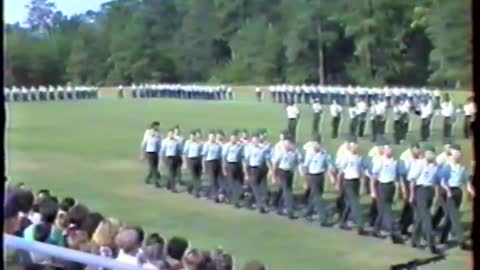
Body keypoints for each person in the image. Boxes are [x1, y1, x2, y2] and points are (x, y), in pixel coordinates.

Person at [409, 145, 441, 254]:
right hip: (420, 190)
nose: (430, 155)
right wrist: (412, 195)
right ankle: (431, 244)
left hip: (430, 192)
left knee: (419, 217)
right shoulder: (420, 163)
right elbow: (412, 179)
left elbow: (436, 183)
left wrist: (436, 196)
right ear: (425, 154)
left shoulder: (436, 166)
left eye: (432, 153)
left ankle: (413, 240)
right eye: (428, 153)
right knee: (427, 218)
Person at [370, 146, 404, 244]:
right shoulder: (380, 161)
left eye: (391, 149)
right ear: (384, 151)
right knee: (387, 209)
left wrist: (398, 189)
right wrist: (373, 190)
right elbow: (374, 177)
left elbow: (397, 177)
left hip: (391, 186)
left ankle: (375, 229)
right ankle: (391, 231)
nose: (390, 150)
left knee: (383, 209)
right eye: (388, 149)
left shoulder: (394, 162)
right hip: (383, 186)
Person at [438, 144, 469, 249]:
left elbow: (466, 182)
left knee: (449, 217)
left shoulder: (462, 167)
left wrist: (471, 191)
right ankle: (462, 241)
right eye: (456, 153)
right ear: (452, 153)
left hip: (457, 192)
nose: (458, 155)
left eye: (460, 153)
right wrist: (447, 190)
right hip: (447, 192)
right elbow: (442, 182)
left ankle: (442, 238)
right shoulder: (447, 166)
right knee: (455, 216)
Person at [301, 135, 335, 226]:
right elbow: (305, 166)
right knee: (318, 197)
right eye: (313, 144)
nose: (314, 145)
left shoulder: (324, 153)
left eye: (316, 143)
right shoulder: (310, 153)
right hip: (312, 176)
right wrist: (305, 180)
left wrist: (331, 177)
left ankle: (307, 212)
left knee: (314, 195)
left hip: (320, 176)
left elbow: (329, 165)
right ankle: (323, 219)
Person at [336, 141, 368, 235]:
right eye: (354, 146)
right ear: (350, 147)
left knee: (350, 203)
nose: (356, 148)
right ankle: (360, 224)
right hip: (348, 181)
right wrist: (338, 183)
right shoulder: (346, 157)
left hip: (356, 181)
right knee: (355, 203)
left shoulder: (359, 157)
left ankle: (342, 221)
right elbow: (340, 170)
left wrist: (363, 182)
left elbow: (361, 170)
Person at [271, 136, 302, 219]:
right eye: (285, 144)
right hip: (282, 171)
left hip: (290, 173)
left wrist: (299, 172)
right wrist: (274, 176)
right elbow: (275, 164)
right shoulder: (281, 153)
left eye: (288, 144)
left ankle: (277, 205)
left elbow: (298, 162)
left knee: (283, 189)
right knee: (288, 191)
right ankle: (290, 211)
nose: (286, 146)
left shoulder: (294, 153)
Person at [398, 142, 422, 236]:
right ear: (413, 148)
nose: (419, 151)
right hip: (407, 183)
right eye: (417, 149)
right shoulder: (405, 157)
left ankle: (404, 225)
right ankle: (404, 225)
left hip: (415, 183)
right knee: (410, 206)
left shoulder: (418, 156)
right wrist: (403, 188)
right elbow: (402, 174)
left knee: (409, 206)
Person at [243, 132, 271, 213]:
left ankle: (249, 202)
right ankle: (260, 205)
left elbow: (266, 160)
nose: (255, 142)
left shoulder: (261, 149)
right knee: (254, 187)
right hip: (252, 169)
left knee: (255, 187)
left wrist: (271, 170)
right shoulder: (249, 148)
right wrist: (246, 173)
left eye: (256, 140)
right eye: (253, 141)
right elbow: (246, 161)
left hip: (260, 169)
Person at [222, 131, 245, 208]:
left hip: (237, 165)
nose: (233, 139)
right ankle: (235, 201)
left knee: (238, 184)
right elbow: (224, 157)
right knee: (232, 183)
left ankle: (229, 196)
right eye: (232, 138)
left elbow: (241, 156)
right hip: (229, 165)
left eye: (235, 138)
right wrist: (224, 168)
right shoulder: (227, 146)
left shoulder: (239, 146)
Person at [202, 131, 223, 202]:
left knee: (217, 179)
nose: (212, 138)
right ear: (209, 137)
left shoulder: (218, 145)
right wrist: (204, 166)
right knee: (213, 179)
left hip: (217, 162)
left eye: (213, 137)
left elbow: (220, 155)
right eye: (211, 137)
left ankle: (210, 193)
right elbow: (204, 155)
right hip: (209, 163)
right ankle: (215, 196)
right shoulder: (206, 145)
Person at [183, 130, 204, 198]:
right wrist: (185, 163)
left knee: (198, 176)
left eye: (193, 136)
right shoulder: (188, 143)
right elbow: (185, 153)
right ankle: (196, 192)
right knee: (194, 176)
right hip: (190, 160)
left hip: (198, 160)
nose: (192, 138)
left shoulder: (199, 143)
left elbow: (202, 153)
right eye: (191, 136)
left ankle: (189, 187)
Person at [140, 122, 162, 187]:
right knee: (154, 168)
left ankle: (147, 179)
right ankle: (156, 182)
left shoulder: (158, 134)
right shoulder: (148, 133)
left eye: (158, 126)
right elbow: (143, 143)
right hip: (149, 153)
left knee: (154, 167)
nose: (157, 127)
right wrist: (142, 154)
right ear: (153, 126)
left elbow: (159, 143)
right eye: (156, 126)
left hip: (156, 152)